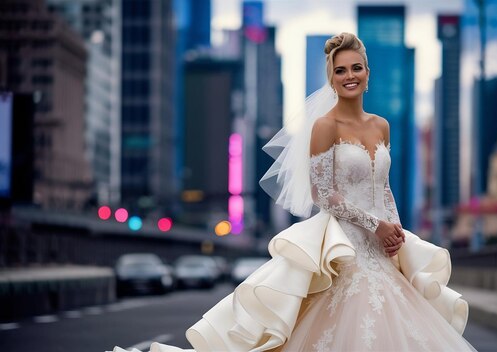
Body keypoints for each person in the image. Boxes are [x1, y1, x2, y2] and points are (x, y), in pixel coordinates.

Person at [111, 32, 475, 352]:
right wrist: (374, 225)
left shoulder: (381, 126)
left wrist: (395, 235)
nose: (349, 76)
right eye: (340, 70)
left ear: (368, 73)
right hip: (343, 248)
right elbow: (323, 194)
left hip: (381, 249)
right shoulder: (324, 126)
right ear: (331, 79)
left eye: (356, 68)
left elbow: (384, 189)